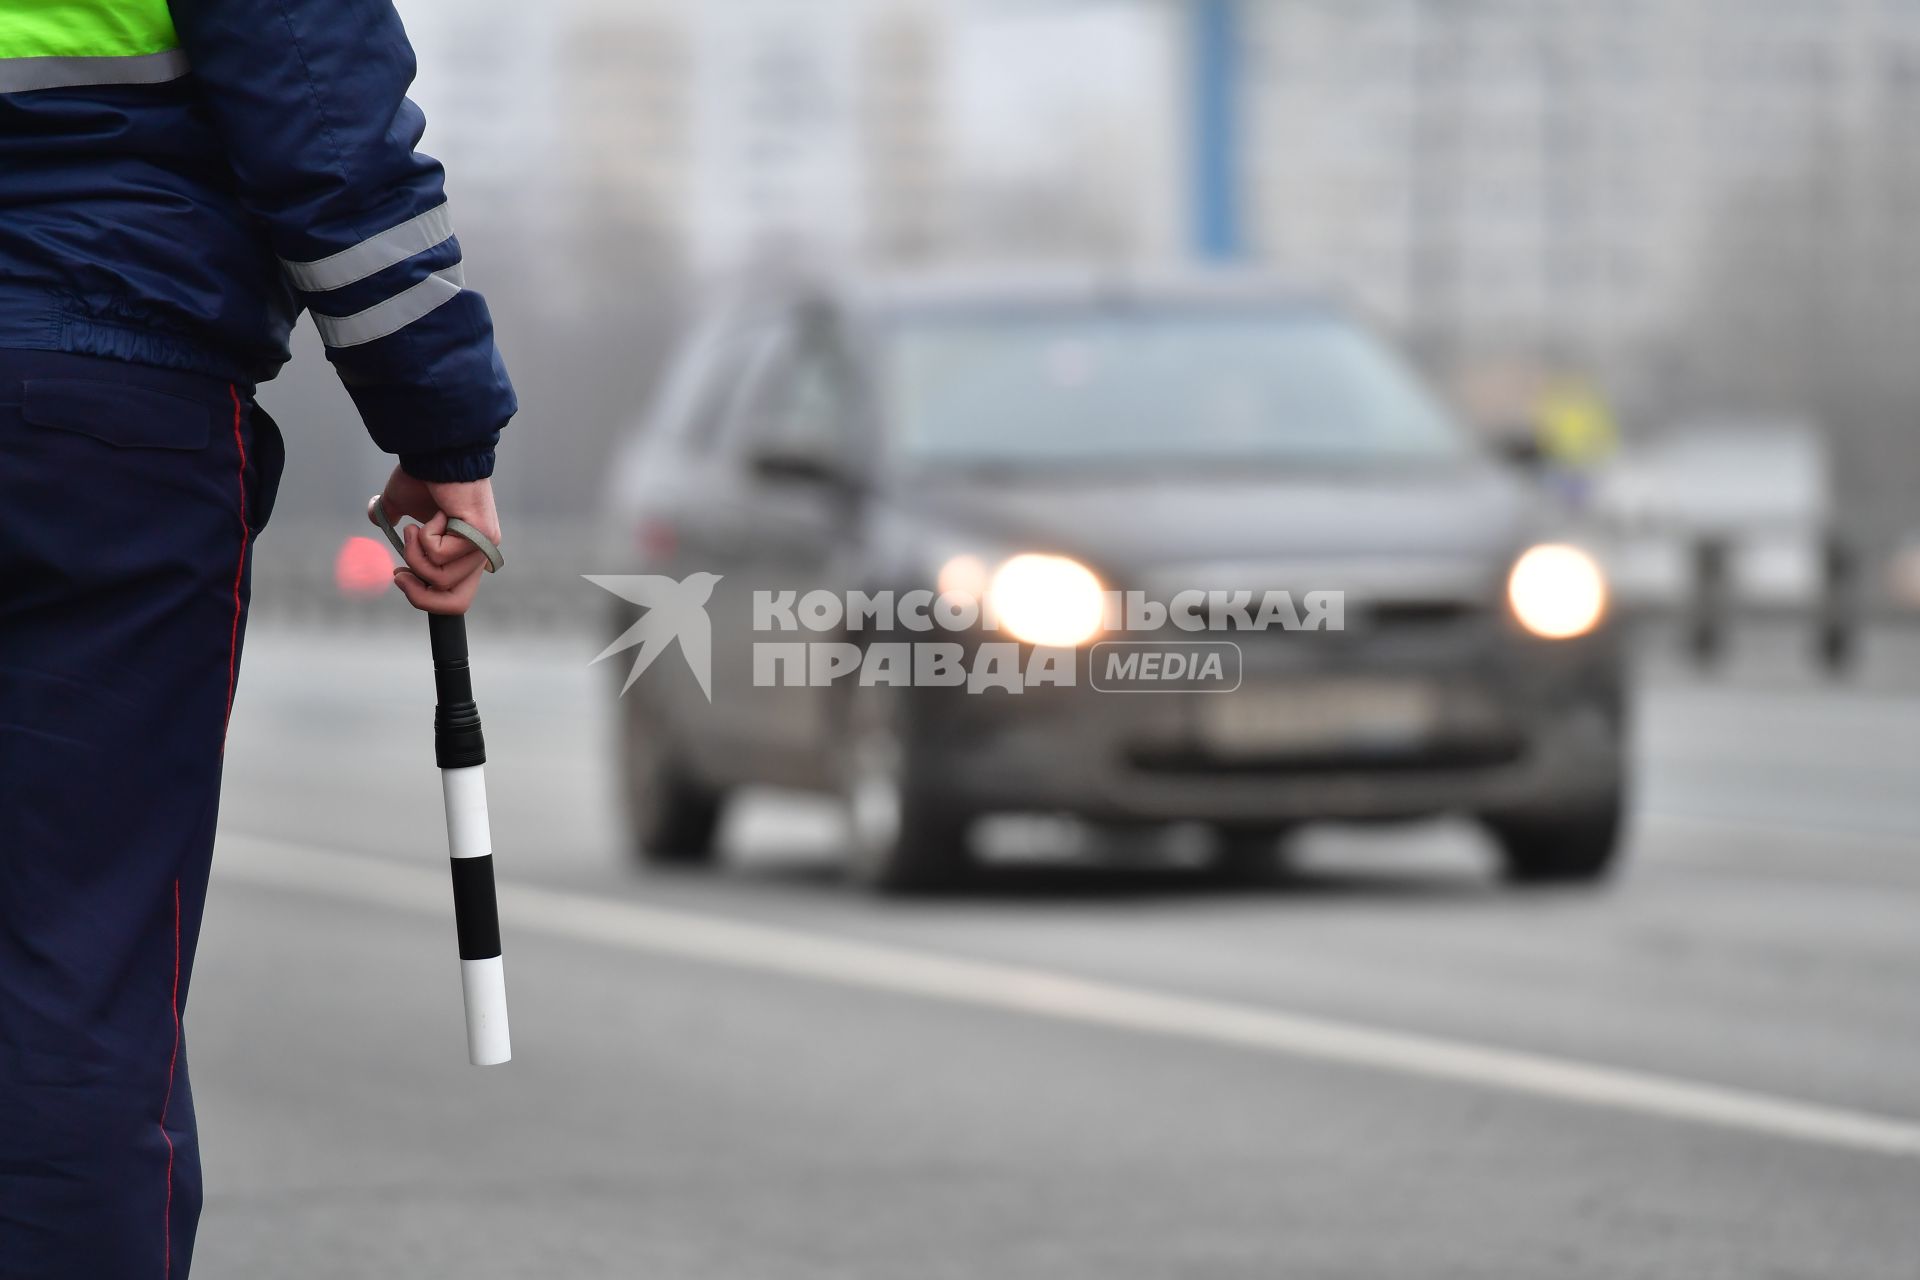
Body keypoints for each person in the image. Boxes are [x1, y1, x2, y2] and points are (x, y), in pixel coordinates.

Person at [0, 1, 515, 1274]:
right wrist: (442, 428)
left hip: (92, 384)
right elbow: (322, 121)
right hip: (96, 397)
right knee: (75, 972)